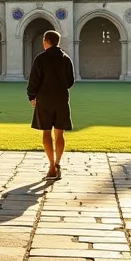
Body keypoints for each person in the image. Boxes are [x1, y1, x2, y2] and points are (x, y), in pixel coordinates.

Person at [27, 29, 74, 179]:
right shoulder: (66, 59)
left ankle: (51, 167)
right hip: (61, 99)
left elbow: (34, 80)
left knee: (46, 132)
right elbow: (70, 81)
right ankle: (58, 164)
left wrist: (32, 96)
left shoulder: (41, 58)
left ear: (46, 41)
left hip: (44, 99)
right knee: (59, 132)